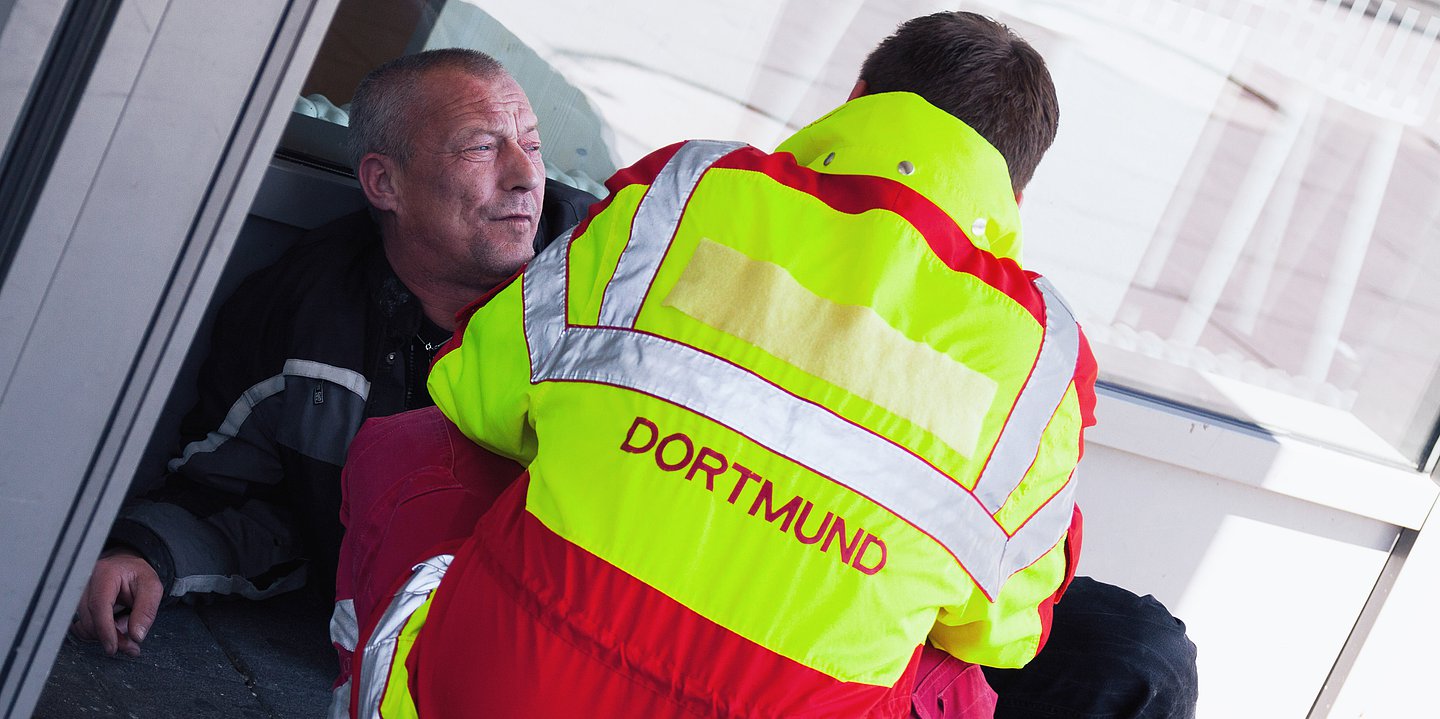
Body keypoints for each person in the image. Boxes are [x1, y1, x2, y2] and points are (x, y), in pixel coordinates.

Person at [340, 12, 1180, 718]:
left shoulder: (687, 191)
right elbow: (1001, 631)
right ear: (1014, 192)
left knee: (412, 448)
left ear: (854, 103)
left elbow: (478, 394)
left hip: (498, 691)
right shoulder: (1043, 355)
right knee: (956, 669)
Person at [67, 48, 597, 659]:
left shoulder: (608, 308)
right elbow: (244, 497)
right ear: (383, 182)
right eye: (481, 148)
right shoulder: (306, 312)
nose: (528, 177)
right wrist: (145, 555)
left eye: (531, 145)